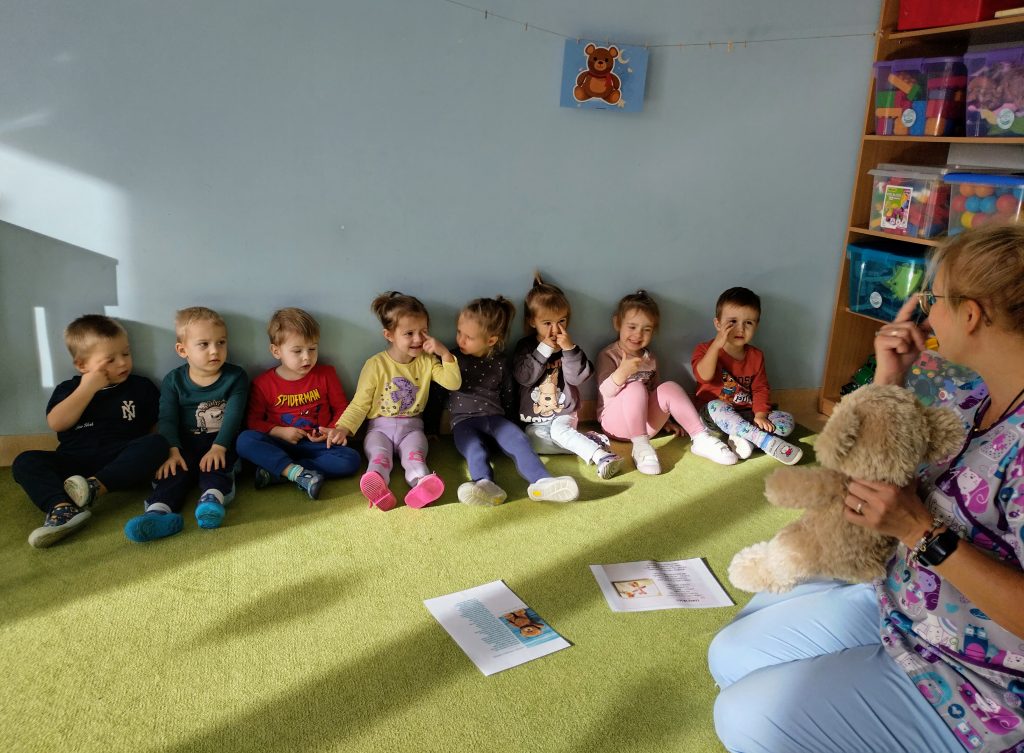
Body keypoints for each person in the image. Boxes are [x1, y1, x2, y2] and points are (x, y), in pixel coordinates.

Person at [708, 224, 1024, 753]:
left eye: (933, 299)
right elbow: (881, 459)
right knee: (730, 654)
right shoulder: (974, 397)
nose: (925, 313)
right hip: (902, 606)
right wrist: (889, 377)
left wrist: (922, 532)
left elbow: (922, 526)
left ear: (971, 315)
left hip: (979, 683)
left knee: (746, 717)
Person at [12, 315, 168, 548]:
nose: (122, 363)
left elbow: (157, 425)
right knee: (25, 461)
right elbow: (57, 423)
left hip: (120, 459)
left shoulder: (140, 387)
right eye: (110, 360)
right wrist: (88, 388)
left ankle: (94, 489)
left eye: (126, 354)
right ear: (82, 365)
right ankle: (62, 508)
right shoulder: (69, 389)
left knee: (157, 444)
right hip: (74, 461)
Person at [325, 292, 461, 511]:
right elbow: (360, 403)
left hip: (413, 429)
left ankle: (422, 485)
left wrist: (444, 352)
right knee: (379, 458)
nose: (418, 339)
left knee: (415, 458)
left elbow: (452, 383)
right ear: (389, 335)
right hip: (379, 429)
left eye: (423, 331)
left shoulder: (427, 361)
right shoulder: (375, 365)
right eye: (409, 333)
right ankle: (378, 486)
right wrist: (343, 428)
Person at [123, 306, 248, 542]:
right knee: (172, 472)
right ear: (183, 350)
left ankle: (211, 501)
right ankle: (158, 512)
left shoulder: (235, 376)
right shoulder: (174, 380)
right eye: (204, 344)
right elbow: (167, 418)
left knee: (216, 469)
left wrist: (219, 446)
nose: (215, 350)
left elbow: (234, 416)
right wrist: (172, 450)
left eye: (221, 342)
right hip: (183, 444)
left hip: (220, 442)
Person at [450, 296, 579, 505]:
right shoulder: (452, 359)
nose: (460, 340)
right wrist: (431, 427)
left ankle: (542, 481)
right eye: (459, 333)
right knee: (474, 449)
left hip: (496, 419)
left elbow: (509, 394)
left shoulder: (500, 362)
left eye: (469, 337)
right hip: (464, 422)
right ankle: (483, 484)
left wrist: (514, 424)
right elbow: (437, 393)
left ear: (491, 340)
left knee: (520, 441)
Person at [596, 290, 738, 474]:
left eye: (646, 329)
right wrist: (622, 372)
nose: (638, 334)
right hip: (615, 425)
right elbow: (605, 392)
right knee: (635, 387)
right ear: (617, 323)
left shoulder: (650, 358)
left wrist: (665, 421)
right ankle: (641, 448)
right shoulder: (609, 354)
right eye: (632, 327)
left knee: (669, 387)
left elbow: (655, 392)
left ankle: (701, 438)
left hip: (646, 426)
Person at [235, 308, 361, 499]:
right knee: (245, 440)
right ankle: (294, 472)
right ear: (276, 351)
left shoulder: (326, 374)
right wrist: (278, 431)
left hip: (318, 446)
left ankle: (281, 472)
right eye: (297, 351)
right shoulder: (263, 384)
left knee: (351, 459)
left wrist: (332, 430)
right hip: (281, 444)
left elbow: (341, 408)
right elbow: (253, 422)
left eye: (312, 349)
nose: (307, 357)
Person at [512, 272, 622, 478]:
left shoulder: (569, 347)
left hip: (564, 411)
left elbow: (578, 378)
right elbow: (524, 377)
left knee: (560, 432)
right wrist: (543, 350)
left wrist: (569, 349)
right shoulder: (525, 347)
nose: (556, 329)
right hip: (536, 418)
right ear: (532, 321)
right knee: (532, 442)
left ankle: (601, 456)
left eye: (561, 321)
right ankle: (590, 442)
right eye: (547, 323)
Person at [691, 286, 802, 465]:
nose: (740, 329)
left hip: (746, 414)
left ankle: (745, 439)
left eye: (748, 323)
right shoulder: (704, 349)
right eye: (732, 322)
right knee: (716, 406)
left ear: (756, 326)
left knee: (786, 421)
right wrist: (716, 346)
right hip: (715, 414)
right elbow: (703, 377)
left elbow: (760, 389)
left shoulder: (756, 356)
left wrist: (760, 415)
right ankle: (762, 440)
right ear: (718, 324)